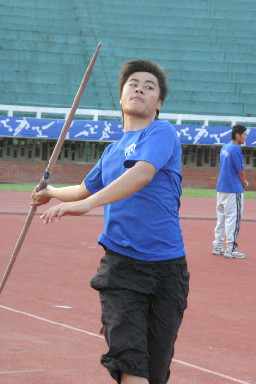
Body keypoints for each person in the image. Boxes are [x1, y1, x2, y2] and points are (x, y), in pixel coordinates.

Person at [32, 59, 190, 384]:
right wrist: (51, 192)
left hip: (168, 271)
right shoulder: (110, 152)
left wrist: (89, 204)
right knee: (131, 366)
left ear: (158, 103)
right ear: (121, 97)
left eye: (150, 87)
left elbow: (143, 173)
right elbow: (81, 189)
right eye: (133, 84)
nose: (140, 89)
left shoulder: (161, 133)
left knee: (155, 374)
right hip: (121, 269)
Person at [212, 124, 249, 259]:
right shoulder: (236, 149)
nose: (246, 137)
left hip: (221, 189)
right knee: (233, 219)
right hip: (233, 190)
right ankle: (231, 249)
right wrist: (244, 182)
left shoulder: (225, 147)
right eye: (244, 134)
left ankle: (217, 246)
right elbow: (240, 171)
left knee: (221, 219)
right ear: (237, 135)